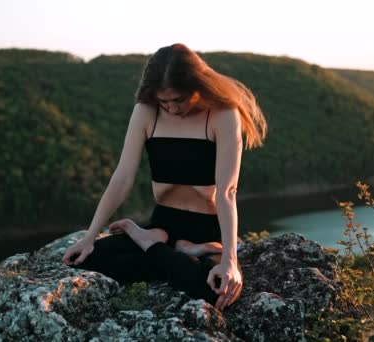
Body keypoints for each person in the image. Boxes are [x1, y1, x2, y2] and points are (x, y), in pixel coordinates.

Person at [62, 43, 267, 311]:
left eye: (179, 99)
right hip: (164, 223)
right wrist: (89, 237)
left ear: (198, 87)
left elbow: (228, 191)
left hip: (207, 228)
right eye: (164, 101)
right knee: (85, 260)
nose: (171, 108)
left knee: (215, 293)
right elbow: (123, 177)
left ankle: (154, 244)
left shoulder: (222, 115)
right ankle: (171, 250)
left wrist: (229, 259)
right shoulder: (146, 112)